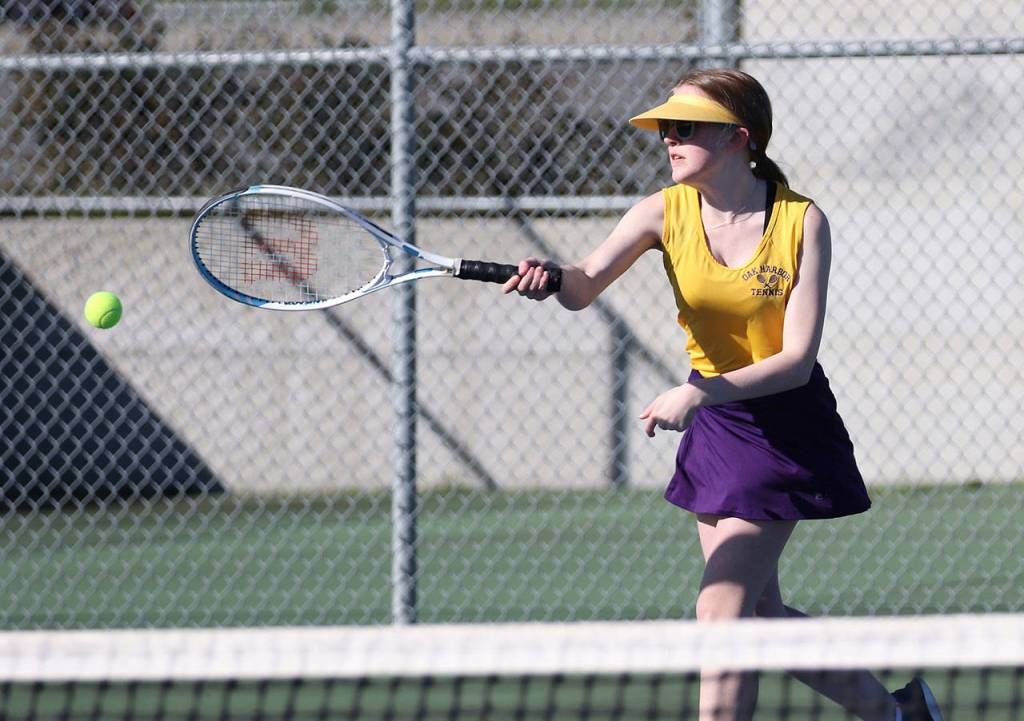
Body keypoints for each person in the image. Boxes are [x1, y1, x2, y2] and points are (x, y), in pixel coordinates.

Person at [501, 68, 943, 721]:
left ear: (739, 138)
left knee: (720, 610)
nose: (669, 139)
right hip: (718, 430)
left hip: (783, 426)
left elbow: (796, 362)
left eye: (686, 127)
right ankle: (897, 713)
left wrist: (702, 392)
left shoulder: (801, 221)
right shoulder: (663, 210)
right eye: (665, 128)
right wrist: (551, 278)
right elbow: (585, 281)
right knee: (754, 615)